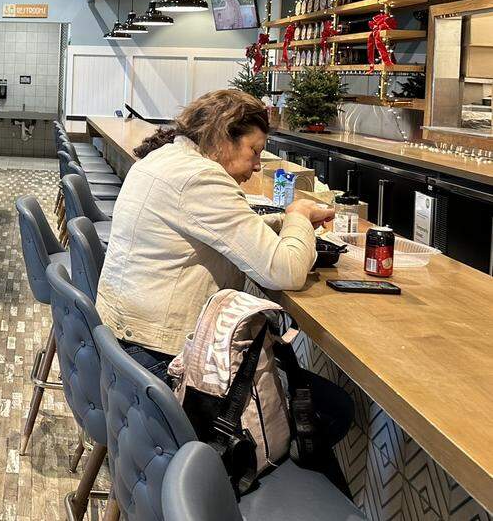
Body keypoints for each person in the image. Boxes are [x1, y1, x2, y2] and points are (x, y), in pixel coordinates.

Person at [96, 88, 351, 492]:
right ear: (223, 137)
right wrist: (298, 216)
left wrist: (278, 227)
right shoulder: (201, 178)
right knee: (332, 408)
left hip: (128, 348)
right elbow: (284, 271)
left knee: (311, 400)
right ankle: (237, 495)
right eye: (254, 151)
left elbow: (219, 230)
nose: (257, 165)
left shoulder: (166, 159)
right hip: (163, 361)